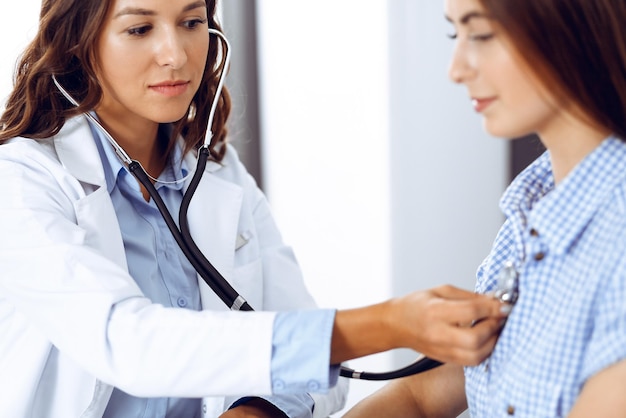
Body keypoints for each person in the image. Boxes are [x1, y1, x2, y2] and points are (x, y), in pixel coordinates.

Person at [0, 0, 509, 417]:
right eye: (139, 29)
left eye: (192, 22)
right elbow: (126, 343)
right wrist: (391, 324)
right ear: (78, 43)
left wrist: (256, 411)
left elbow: (316, 372)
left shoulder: (219, 172)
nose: (175, 54)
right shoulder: (23, 181)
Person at [344, 0, 626, 416]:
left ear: (571, 24)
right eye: (454, 34)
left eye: (480, 34)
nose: (456, 70)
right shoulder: (530, 215)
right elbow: (418, 398)